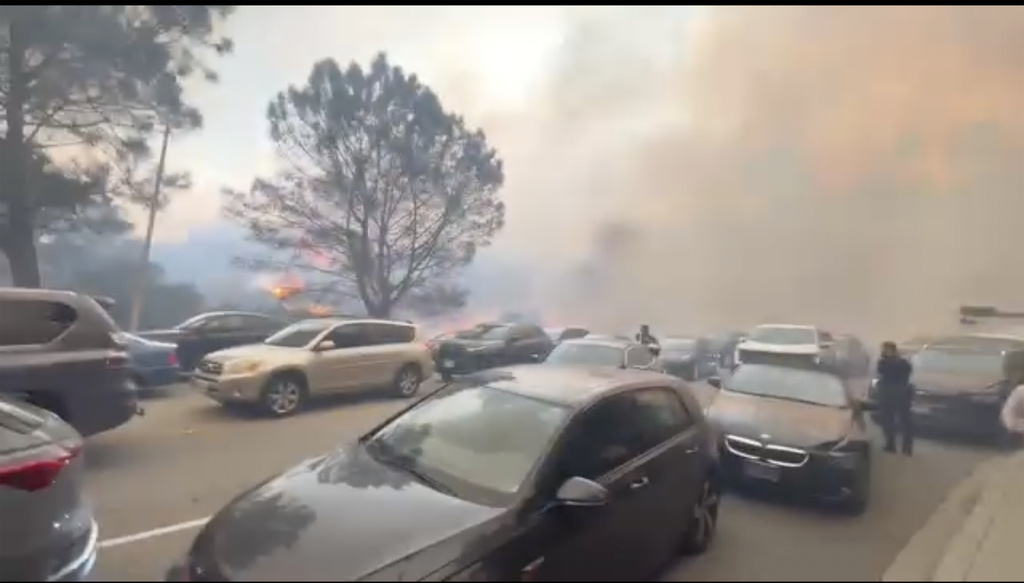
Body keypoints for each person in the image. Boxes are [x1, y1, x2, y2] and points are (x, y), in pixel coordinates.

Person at [876, 341, 915, 455]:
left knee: (894, 421)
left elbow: (882, 372)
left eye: (884, 350)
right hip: (899, 394)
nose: (883, 352)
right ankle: (902, 446)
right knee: (901, 421)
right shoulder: (904, 362)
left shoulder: (885, 362)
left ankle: (895, 445)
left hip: (891, 394)